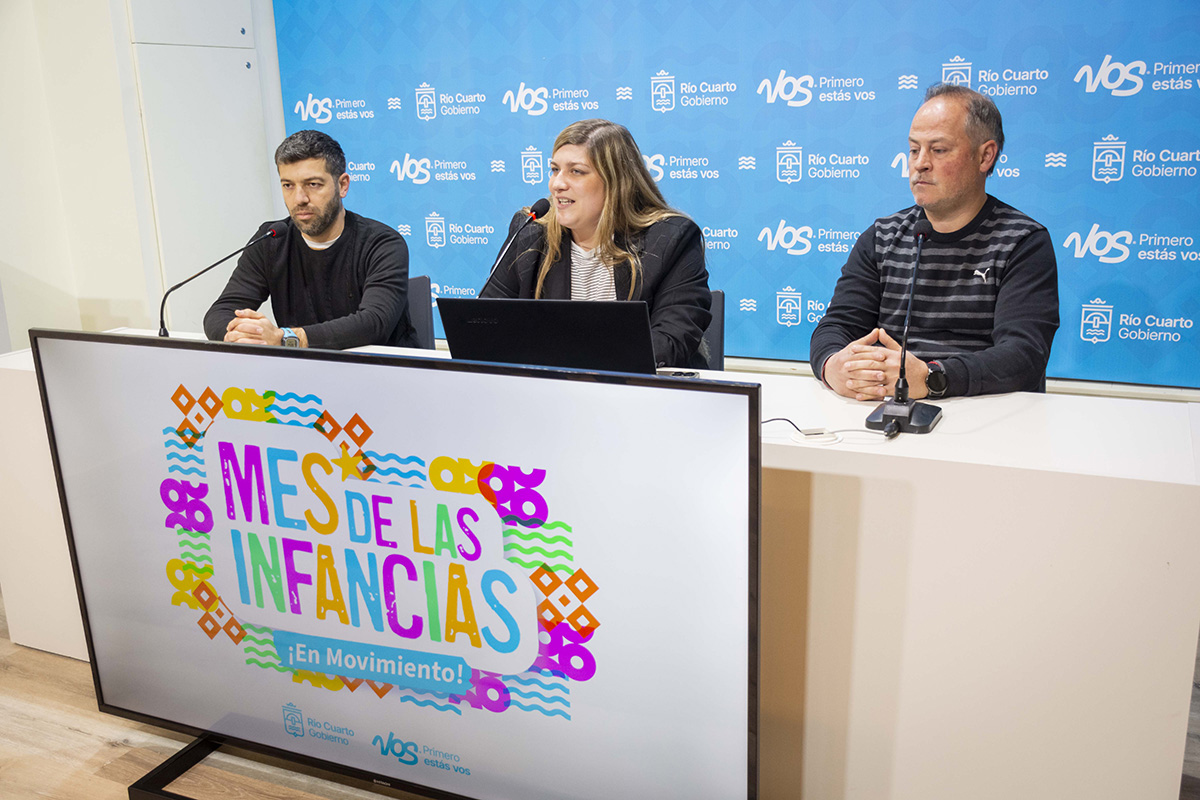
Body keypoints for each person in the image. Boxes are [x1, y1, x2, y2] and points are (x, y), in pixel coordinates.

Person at [809, 84, 1059, 400]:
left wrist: (932, 378)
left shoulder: (1023, 242)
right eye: (914, 150)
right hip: (889, 407)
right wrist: (832, 365)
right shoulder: (882, 237)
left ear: (985, 156)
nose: (920, 163)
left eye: (938, 150)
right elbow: (836, 327)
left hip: (984, 413)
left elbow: (1023, 356)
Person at [480, 119, 712, 369]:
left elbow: (670, 341)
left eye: (576, 171)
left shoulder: (670, 239)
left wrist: (568, 359)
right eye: (555, 169)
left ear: (616, 181)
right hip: (550, 387)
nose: (557, 184)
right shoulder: (531, 233)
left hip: (641, 388)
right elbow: (486, 324)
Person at [204, 130, 415, 349]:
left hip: (383, 367)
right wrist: (241, 334)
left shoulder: (382, 243)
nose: (299, 199)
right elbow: (220, 312)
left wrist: (286, 338)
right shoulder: (271, 239)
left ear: (342, 185)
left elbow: (374, 324)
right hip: (303, 369)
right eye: (288, 185)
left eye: (313, 184)